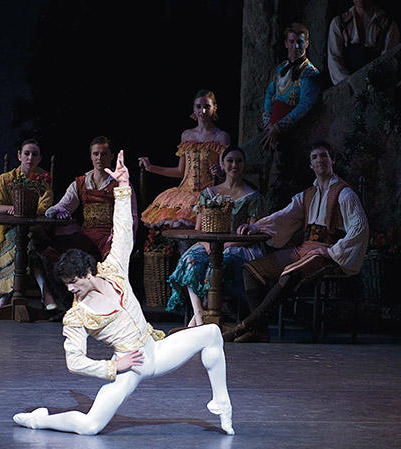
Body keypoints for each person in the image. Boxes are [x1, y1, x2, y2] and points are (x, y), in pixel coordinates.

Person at [13, 151, 234, 436]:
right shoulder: (77, 316)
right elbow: (74, 362)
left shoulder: (113, 271)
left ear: (88, 273)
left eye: (72, 282)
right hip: (132, 366)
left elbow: (123, 232)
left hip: (158, 350)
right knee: (91, 427)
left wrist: (122, 188)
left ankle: (221, 402)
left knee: (212, 334)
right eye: (65, 284)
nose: (69, 289)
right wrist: (114, 365)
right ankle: (38, 420)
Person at [224, 140, 369, 343]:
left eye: (324, 155)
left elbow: (360, 227)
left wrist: (333, 251)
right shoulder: (307, 195)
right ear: (310, 165)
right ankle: (260, 330)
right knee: (251, 270)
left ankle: (245, 326)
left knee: (290, 273)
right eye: (314, 157)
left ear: (332, 160)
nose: (320, 160)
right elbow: (284, 216)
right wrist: (257, 227)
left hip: (325, 253)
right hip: (304, 249)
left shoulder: (344, 193)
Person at [166, 146, 265, 330]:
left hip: (238, 246)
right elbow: (199, 229)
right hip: (208, 244)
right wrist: (207, 245)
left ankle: (201, 323)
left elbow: (254, 232)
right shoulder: (209, 193)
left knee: (220, 265)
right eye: (230, 161)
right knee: (191, 259)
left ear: (244, 165)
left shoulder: (252, 196)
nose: (234, 165)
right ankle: (200, 316)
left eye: (239, 161)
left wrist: (227, 244)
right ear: (222, 164)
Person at [0, 138, 57, 311]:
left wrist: (28, 209)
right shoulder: (5, 179)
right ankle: (44, 293)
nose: (30, 158)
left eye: (34, 154)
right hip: (6, 230)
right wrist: (12, 208)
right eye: (26, 153)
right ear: (19, 155)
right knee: (24, 243)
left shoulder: (43, 180)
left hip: (34, 228)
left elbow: (45, 207)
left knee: (29, 241)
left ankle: (9, 298)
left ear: (39, 158)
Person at [139, 89, 230, 229]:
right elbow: (181, 171)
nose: (203, 111)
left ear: (214, 108)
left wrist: (220, 171)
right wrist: (151, 168)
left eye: (207, 107)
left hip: (210, 193)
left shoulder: (221, 136)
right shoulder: (187, 135)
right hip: (185, 194)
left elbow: (226, 169)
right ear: (194, 109)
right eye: (199, 107)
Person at [45, 136, 138, 260]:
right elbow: (64, 205)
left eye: (104, 154)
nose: (99, 158)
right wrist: (56, 211)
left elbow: (131, 216)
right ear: (91, 156)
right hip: (87, 235)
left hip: (109, 236)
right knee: (53, 252)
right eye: (96, 154)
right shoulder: (81, 183)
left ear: (111, 156)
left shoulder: (120, 184)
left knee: (113, 258)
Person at [261, 23, 320, 153]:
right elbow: (270, 94)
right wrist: (268, 123)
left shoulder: (310, 73)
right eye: (292, 42)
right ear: (286, 43)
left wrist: (278, 127)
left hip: (294, 132)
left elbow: (305, 105)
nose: (296, 46)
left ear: (307, 43)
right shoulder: (280, 68)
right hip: (271, 127)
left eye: (300, 42)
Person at [327, 0, 400, 86]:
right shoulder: (339, 23)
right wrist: (350, 84)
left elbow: (388, 59)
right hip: (347, 87)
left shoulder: (387, 25)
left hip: (376, 86)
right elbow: (334, 61)